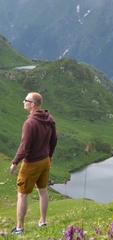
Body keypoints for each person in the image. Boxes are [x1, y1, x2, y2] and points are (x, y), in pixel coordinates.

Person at [10, 92, 58, 235]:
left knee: (22, 195)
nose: (23, 102)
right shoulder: (49, 118)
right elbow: (54, 140)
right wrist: (50, 155)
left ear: (32, 104)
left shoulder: (29, 123)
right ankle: (42, 222)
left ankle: (19, 228)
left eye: (26, 100)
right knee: (43, 191)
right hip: (44, 161)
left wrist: (15, 162)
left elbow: (24, 146)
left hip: (31, 163)